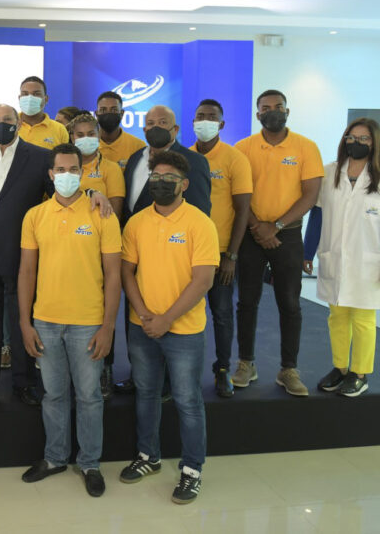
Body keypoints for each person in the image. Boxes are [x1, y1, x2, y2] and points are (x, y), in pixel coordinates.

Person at [0, 104, 112, 408]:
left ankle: (24, 382)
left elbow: (63, 192)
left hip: (23, 253)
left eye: (8, 119)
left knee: (22, 322)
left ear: (18, 124)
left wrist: (93, 193)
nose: (2, 124)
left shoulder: (40, 157)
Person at [18, 144, 121, 497]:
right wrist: (25, 322)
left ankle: (90, 463)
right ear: (50, 174)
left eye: (73, 169)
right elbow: (27, 272)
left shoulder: (102, 214)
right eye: (60, 170)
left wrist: (108, 326)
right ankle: (55, 457)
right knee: (53, 394)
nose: (66, 175)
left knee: (90, 396)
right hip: (45, 321)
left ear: (82, 171)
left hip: (88, 322)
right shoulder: (35, 216)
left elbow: (114, 275)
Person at [119, 150, 218, 506]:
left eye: (169, 179)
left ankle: (192, 469)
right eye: (156, 177)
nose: (161, 183)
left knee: (188, 401)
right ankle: (149, 456)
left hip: (184, 330)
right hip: (142, 326)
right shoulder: (136, 223)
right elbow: (127, 271)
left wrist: (167, 318)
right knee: (146, 394)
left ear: (184, 185)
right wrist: (145, 313)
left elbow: (203, 280)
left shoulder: (200, 223)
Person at [303, 118, 380, 398]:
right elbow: (317, 216)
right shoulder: (330, 173)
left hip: (369, 262)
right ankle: (340, 368)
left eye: (364, 139)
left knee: (363, 319)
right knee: (337, 316)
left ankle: (359, 374)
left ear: (374, 143)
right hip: (335, 257)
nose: (357, 143)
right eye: (352, 137)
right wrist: (307, 251)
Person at [114, 105, 211, 394]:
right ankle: (142, 376)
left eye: (162, 122)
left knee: (184, 391)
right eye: (150, 122)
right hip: (137, 251)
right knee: (137, 319)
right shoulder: (136, 158)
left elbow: (199, 209)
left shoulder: (193, 161)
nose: (155, 127)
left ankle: (168, 382)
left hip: (177, 258)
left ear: (175, 128)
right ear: (143, 128)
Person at [234, 90, 324, 396]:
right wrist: (257, 226)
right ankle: (246, 363)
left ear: (287, 111)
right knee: (247, 302)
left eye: (278, 107)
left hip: (288, 234)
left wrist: (277, 226)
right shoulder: (243, 148)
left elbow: (310, 195)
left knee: (290, 303)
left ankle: (288, 369)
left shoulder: (305, 147)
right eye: (266, 108)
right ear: (257, 114)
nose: (272, 111)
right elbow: (238, 194)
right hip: (251, 233)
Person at [190, 99, 252, 398]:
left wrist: (232, 256)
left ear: (222, 124)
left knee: (222, 314)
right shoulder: (184, 157)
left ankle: (223, 369)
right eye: (200, 116)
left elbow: (243, 210)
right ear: (193, 122)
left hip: (221, 253)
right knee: (184, 314)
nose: (205, 121)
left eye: (211, 117)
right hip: (186, 252)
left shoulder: (234, 158)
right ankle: (181, 371)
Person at [67, 113, 125, 220]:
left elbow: (115, 214)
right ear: (72, 138)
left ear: (99, 135)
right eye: (80, 135)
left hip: (99, 226)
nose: (86, 139)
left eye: (91, 134)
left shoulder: (112, 168)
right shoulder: (64, 167)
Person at [95, 91, 145, 169]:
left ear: (122, 114)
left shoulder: (138, 146)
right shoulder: (87, 146)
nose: (108, 114)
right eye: (103, 110)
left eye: (114, 110)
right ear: (96, 114)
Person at [17, 77, 69, 149]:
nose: (30, 98)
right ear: (19, 98)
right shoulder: (10, 125)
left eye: (36, 94)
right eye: (25, 94)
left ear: (46, 99)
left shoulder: (59, 130)